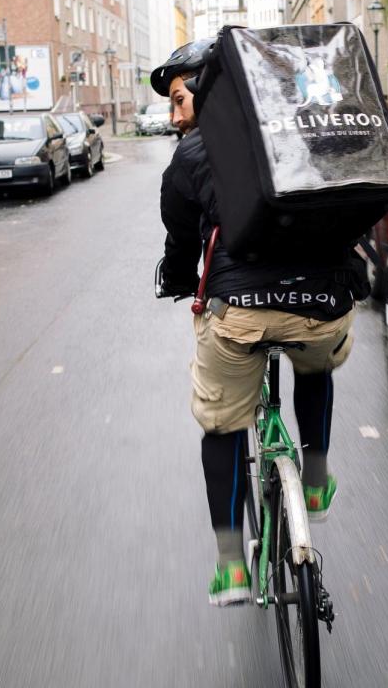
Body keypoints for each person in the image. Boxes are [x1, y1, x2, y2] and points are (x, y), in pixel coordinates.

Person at [154, 40, 369, 607]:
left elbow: (180, 244)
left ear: (207, 91)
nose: (175, 116)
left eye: (180, 99)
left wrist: (176, 280)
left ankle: (231, 567)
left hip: (241, 314)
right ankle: (316, 479)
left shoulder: (191, 155)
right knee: (316, 356)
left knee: (222, 423)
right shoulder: (297, 125)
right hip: (327, 300)